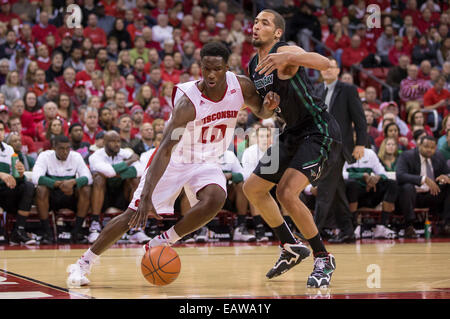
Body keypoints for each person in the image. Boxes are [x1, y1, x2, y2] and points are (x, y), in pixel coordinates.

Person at [66, 41, 279, 286]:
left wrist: (269, 108)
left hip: (207, 160)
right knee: (133, 215)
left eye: (217, 69)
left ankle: (161, 241)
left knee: (215, 198)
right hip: (175, 158)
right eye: (206, 68)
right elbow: (165, 148)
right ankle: (83, 263)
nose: (211, 74)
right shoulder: (188, 102)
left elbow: (261, 112)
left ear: (227, 68)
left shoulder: (240, 86)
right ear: (200, 66)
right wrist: (146, 196)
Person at [242, 10, 339, 288]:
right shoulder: (253, 65)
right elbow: (262, 113)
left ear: (277, 33)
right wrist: (267, 108)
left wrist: (291, 56)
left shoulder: (284, 50)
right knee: (253, 188)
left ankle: (323, 257)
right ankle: (290, 245)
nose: (257, 26)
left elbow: (324, 62)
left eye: (265, 23)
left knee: (286, 192)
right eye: (256, 21)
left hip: (318, 130)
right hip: (292, 131)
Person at [314, 58, 368, 244]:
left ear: (338, 70)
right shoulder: (317, 90)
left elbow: (360, 120)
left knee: (324, 189)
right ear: (320, 71)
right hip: (321, 146)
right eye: (324, 67)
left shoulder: (348, 90)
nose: (328, 70)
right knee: (336, 190)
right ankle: (348, 231)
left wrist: (360, 143)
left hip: (339, 147)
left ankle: (311, 234)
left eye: (332, 67)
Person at [33, 135, 93, 244]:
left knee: (86, 189)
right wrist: (57, 184)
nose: (65, 152)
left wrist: (74, 182)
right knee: (41, 190)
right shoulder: (44, 156)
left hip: (71, 195)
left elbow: (88, 177)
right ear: (54, 148)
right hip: (52, 197)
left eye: (67, 148)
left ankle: (77, 232)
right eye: (61, 149)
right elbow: (35, 177)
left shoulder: (76, 156)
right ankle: (47, 233)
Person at [86, 131, 140, 244]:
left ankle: (135, 227)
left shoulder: (124, 152)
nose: (117, 144)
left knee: (136, 180)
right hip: (103, 195)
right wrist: (129, 162)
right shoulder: (95, 156)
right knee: (99, 179)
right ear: (104, 142)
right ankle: (95, 225)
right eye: (112, 141)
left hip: (121, 193)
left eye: (118, 141)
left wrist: (117, 173)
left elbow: (140, 170)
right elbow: (108, 172)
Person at [396, 135, 450, 238]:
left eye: (432, 147)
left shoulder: (438, 156)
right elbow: (400, 175)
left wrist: (447, 177)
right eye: (426, 146)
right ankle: (409, 226)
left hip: (431, 194)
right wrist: (422, 179)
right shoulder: (407, 156)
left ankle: (446, 224)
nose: (429, 150)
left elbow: (447, 173)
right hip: (412, 195)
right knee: (407, 187)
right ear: (419, 145)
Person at [343, 140, 399, 239]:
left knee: (392, 184)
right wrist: (362, 175)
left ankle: (382, 226)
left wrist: (377, 178)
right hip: (351, 196)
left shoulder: (370, 153)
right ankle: (354, 226)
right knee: (352, 185)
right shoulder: (343, 152)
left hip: (370, 193)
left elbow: (383, 173)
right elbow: (341, 174)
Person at [0, 120, 36, 245]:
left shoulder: (9, 149)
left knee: (28, 186)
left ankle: (19, 231)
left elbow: (16, 178)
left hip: (6, 192)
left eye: (1, 130)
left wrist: (20, 174)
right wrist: (1, 174)